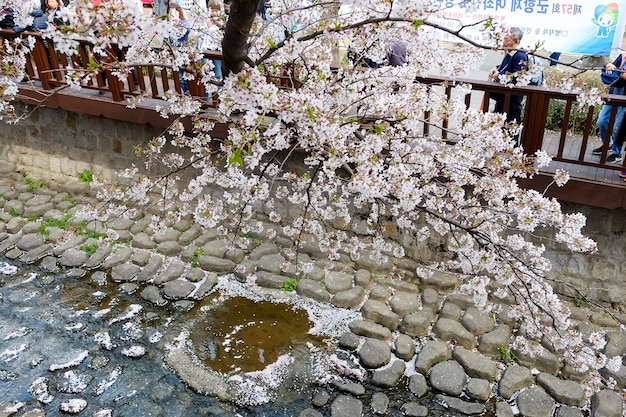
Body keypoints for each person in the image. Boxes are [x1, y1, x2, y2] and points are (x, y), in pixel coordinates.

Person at [487, 26, 528, 143]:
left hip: (512, 101)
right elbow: (504, 68)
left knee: (510, 130)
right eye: (504, 39)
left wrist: (498, 76)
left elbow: (516, 78)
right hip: (503, 99)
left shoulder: (520, 55)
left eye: (507, 40)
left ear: (516, 42)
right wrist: (496, 68)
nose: (504, 42)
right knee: (498, 128)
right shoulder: (510, 53)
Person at [593, 51, 626, 163]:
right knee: (602, 121)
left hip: (624, 101)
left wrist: (622, 74)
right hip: (613, 95)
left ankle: (617, 152)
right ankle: (607, 144)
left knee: (618, 128)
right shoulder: (623, 56)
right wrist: (609, 66)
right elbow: (611, 65)